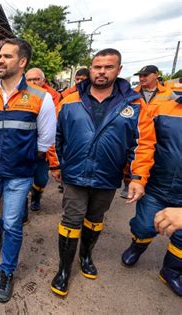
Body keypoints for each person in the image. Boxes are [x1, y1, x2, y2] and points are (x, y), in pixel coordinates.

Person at [50, 48, 156, 297]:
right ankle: (64, 270)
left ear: (118, 70)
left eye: (108, 67)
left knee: (95, 220)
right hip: (75, 175)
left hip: (107, 177)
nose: (101, 71)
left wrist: (138, 178)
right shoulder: (69, 100)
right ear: (90, 68)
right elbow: (55, 136)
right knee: (70, 221)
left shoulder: (134, 104)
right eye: (97, 66)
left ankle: (86, 256)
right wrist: (56, 164)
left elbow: (143, 144)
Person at [0, 38, 56, 303]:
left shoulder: (40, 98)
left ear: (22, 62)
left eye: (7, 56)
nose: (0, 60)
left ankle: (7, 272)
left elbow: (45, 141)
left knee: (13, 223)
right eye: (0, 55)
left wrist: (22, 160)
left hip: (20, 174)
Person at [121, 96, 181, 297]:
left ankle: (171, 271)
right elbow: (142, 143)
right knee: (145, 225)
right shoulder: (161, 108)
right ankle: (137, 247)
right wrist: (135, 176)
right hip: (157, 184)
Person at [120, 65, 177, 199]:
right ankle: (129, 184)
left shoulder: (169, 94)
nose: (142, 78)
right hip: (138, 131)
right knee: (132, 158)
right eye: (140, 76)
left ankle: (152, 186)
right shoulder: (132, 94)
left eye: (146, 75)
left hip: (161, 135)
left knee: (156, 161)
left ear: (156, 75)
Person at [24, 68, 61, 214]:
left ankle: (36, 197)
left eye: (36, 79)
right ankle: (22, 211)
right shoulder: (18, 95)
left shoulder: (53, 98)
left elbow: (53, 131)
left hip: (43, 150)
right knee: (21, 182)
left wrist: (55, 164)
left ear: (43, 81)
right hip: (24, 147)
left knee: (41, 179)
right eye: (29, 80)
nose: (33, 83)